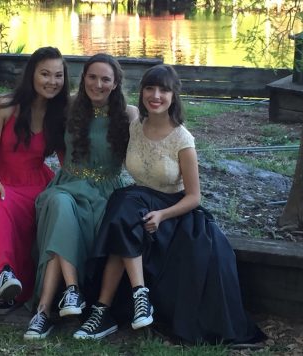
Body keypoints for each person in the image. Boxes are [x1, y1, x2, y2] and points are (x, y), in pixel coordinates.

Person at [74, 64, 266, 345]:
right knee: (124, 209)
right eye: (150, 88)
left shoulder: (182, 139)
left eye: (163, 90)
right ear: (141, 93)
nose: (155, 95)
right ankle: (133, 298)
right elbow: (97, 100)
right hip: (139, 199)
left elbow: (194, 197)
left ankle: (108, 308)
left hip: (173, 208)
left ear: (174, 95)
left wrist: (163, 215)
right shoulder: (135, 124)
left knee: (123, 210)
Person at [23, 53, 139, 339]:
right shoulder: (69, 106)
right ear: (83, 77)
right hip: (68, 185)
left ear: (115, 84)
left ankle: (43, 312)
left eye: (105, 79)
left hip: (106, 192)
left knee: (61, 220)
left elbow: (156, 141)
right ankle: (71, 291)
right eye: (92, 77)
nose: (97, 84)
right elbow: (31, 108)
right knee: (59, 205)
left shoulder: (128, 114)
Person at [0, 47, 70, 314]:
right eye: (45, 74)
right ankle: (4, 275)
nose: (51, 82)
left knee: (47, 209)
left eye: (58, 75)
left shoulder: (61, 114)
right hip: (1, 179)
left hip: (38, 183)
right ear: (31, 74)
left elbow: (67, 160)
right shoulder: (4, 106)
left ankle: (7, 286)